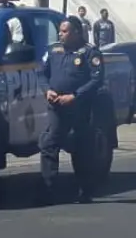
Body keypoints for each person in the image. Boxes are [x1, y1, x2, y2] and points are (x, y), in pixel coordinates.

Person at [38, 17, 104, 204]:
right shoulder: (54, 50)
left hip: (79, 106)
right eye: (60, 31)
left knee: (80, 146)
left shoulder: (89, 52)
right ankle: (48, 189)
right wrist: (47, 90)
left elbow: (96, 79)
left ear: (76, 32)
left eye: (65, 31)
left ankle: (85, 190)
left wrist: (75, 95)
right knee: (49, 143)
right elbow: (42, 73)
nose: (60, 34)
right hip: (56, 104)